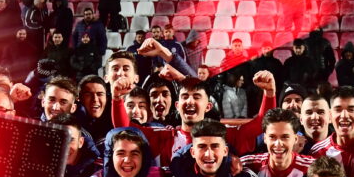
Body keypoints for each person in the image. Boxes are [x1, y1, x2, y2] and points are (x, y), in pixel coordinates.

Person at [111, 73, 277, 165]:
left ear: (208, 106)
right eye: (185, 97)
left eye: (196, 97)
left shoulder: (224, 135)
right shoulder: (164, 136)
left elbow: (262, 124)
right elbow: (125, 128)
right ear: (177, 106)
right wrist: (117, 98)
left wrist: (269, 94)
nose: (190, 101)